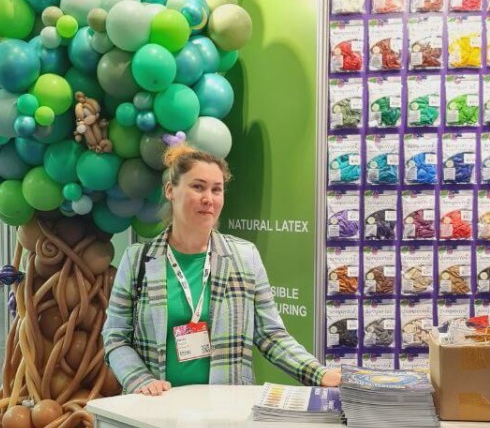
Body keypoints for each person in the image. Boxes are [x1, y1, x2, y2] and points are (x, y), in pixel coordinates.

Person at [103, 144, 341, 396]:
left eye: (216, 189)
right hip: (156, 406)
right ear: (170, 191)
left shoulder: (244, 257)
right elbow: (115, 337)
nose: (209, 198)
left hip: (225, 408)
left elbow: (270, 335)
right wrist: (139, 380)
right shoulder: (137, 260)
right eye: (198, 187)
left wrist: (318, 373)